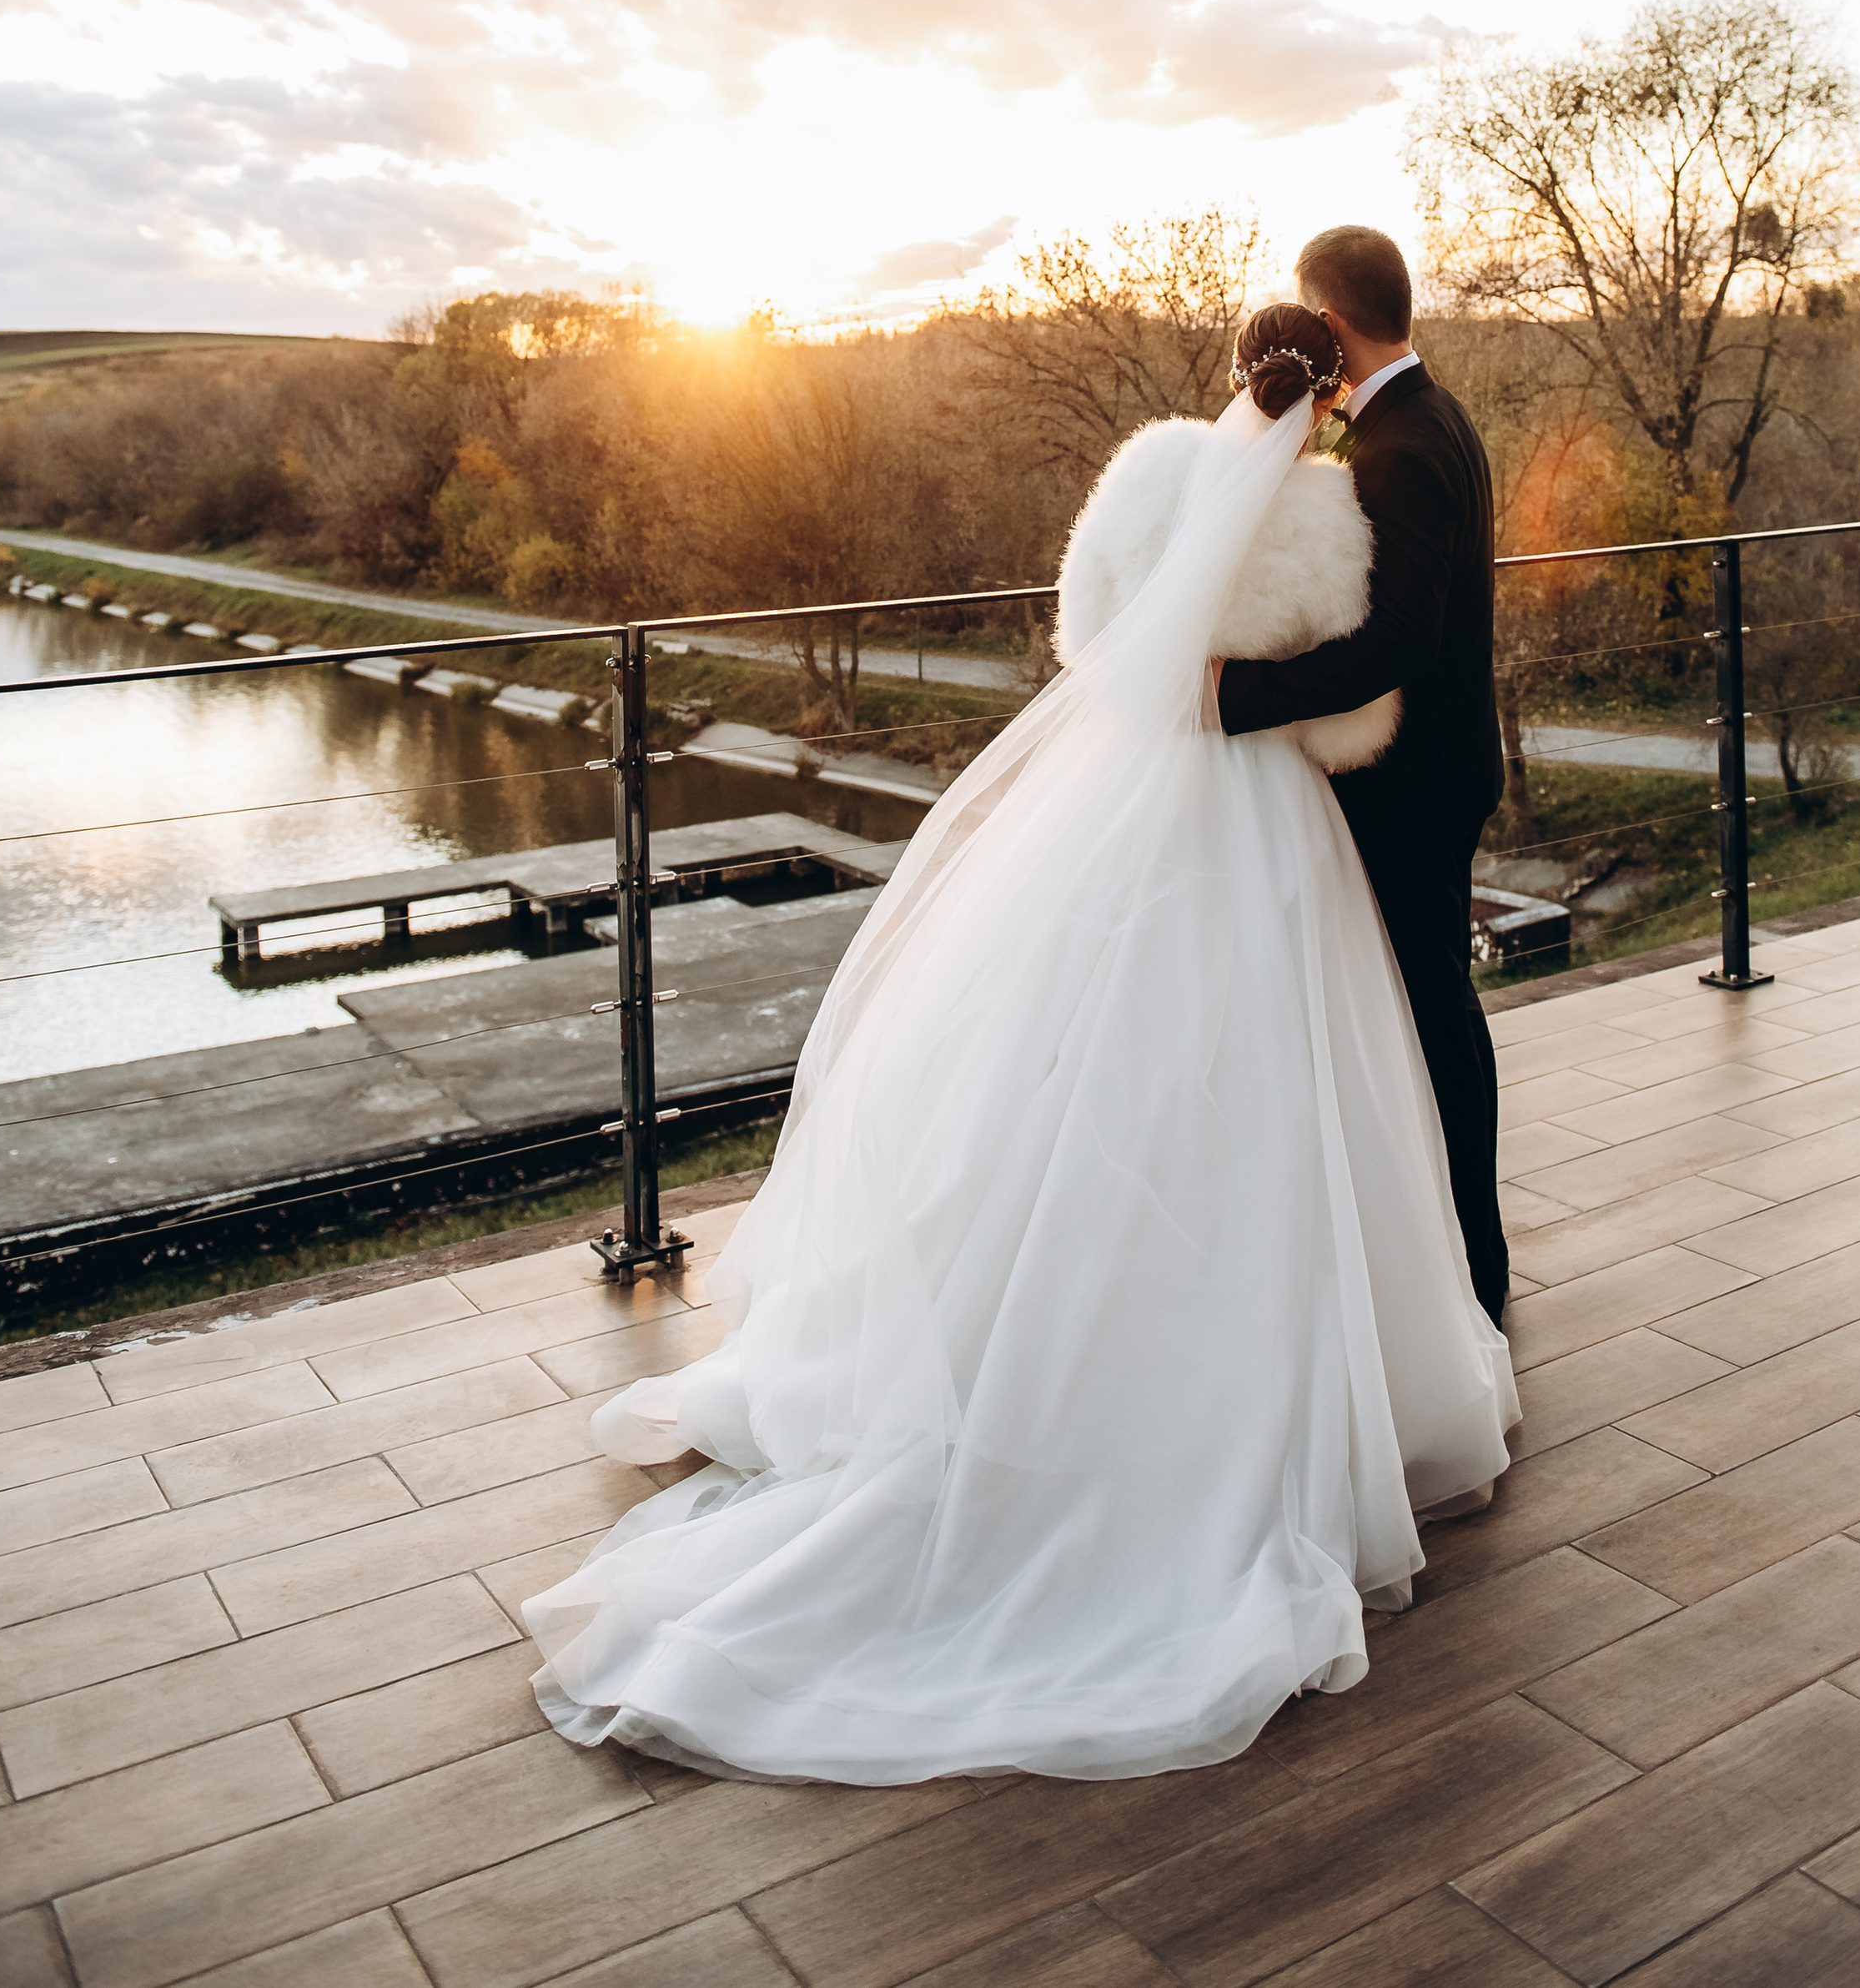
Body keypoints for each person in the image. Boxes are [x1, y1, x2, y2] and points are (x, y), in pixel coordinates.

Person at [524, 301, 1515, 1787]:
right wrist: (1260, 708)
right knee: (1287, 1079)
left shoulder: (1155, 477)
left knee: (1103, 1066)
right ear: (1324, 396)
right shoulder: (1331, 505)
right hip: (1276, 821)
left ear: (1242, 375)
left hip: (1155, 802)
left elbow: (1093, 638)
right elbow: (1358, 682)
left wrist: (1194, 689)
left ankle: (1056, 1342)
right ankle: (1311, 1351)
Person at [1215, 229, 1511, 1322]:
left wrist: (1232, 698)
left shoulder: (1400, 448)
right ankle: (1454, 1256)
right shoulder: (1435, 418)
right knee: (1428, 1010)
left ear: (1332, 324)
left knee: (1433, 1014)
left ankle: (1473, 1268)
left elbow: (1400, 645)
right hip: (1438, 766)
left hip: (1414, 783)